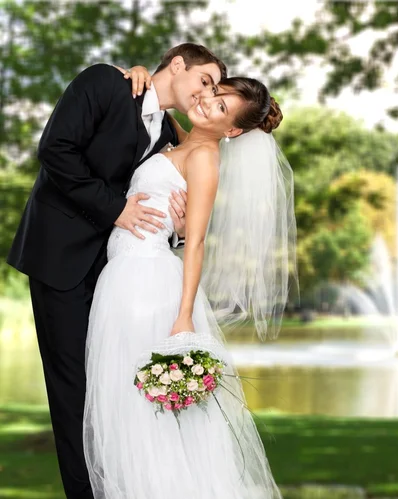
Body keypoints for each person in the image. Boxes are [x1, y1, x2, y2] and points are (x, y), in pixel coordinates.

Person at [6, 43, 227, 499]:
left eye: (215, 89)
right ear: (179, 64)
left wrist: (178, 231)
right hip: (61, 257)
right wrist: (115, 210)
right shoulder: (106, 83)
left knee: (114, 388)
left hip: (118, 275)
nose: (206, 93)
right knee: (72, 391)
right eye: (205, 80)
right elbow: (56, 150)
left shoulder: (168, 131)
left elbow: (166, 200)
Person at [82, 75, 295, 498]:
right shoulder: (182, 138)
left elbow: (195, 241)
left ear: (232, 130)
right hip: (123, 275)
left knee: (144, 410)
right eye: (215, 93)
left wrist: (183, 316)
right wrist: (142, 71)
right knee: (123, 406)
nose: (206, 102)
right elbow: (160, 106)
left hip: (147, 282)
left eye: (220, 107)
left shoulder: (204, 158)